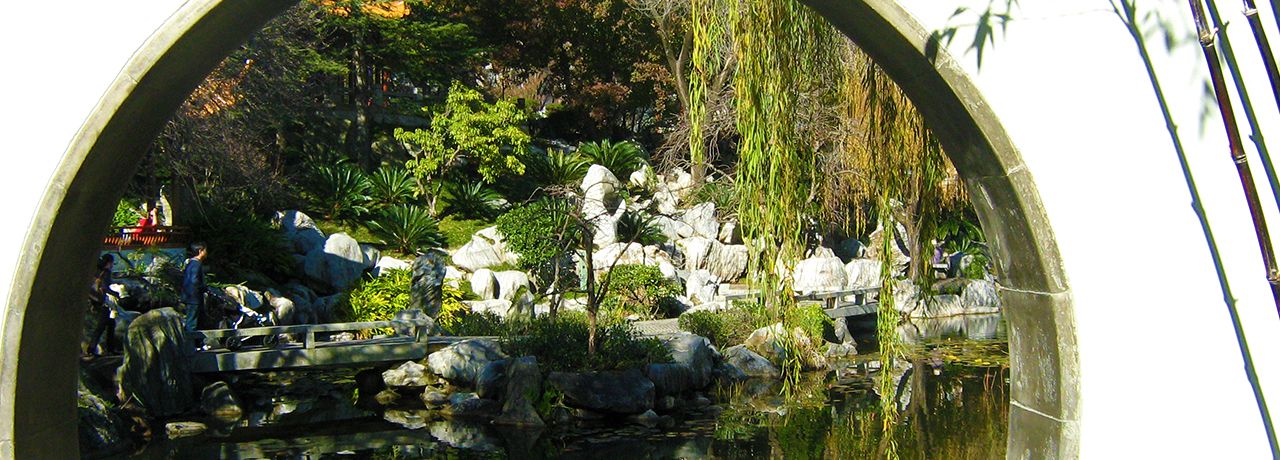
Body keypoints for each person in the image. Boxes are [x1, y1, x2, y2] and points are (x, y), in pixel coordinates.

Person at [84, 254, 119, 357]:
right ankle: (94, 348)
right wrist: (117, 294)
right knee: (103, 326)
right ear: (109, 263)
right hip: (102, 302)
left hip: (94, 300)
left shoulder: (95, 270)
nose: (112, 265)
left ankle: (107, 348)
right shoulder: (106, 273)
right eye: (112, 263)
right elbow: (105, 287)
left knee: (109, 324)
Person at [181, 242, 208, 332]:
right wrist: (204, 287)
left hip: (187, 296)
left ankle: (197, 340)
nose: (206, 253)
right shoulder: (197, 264)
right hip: (194, 298)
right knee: (192, 323)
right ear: (200, 251)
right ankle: (190, 340)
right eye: (205, 250)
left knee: (194, 320)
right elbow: (194, 280)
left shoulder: (190, 263)